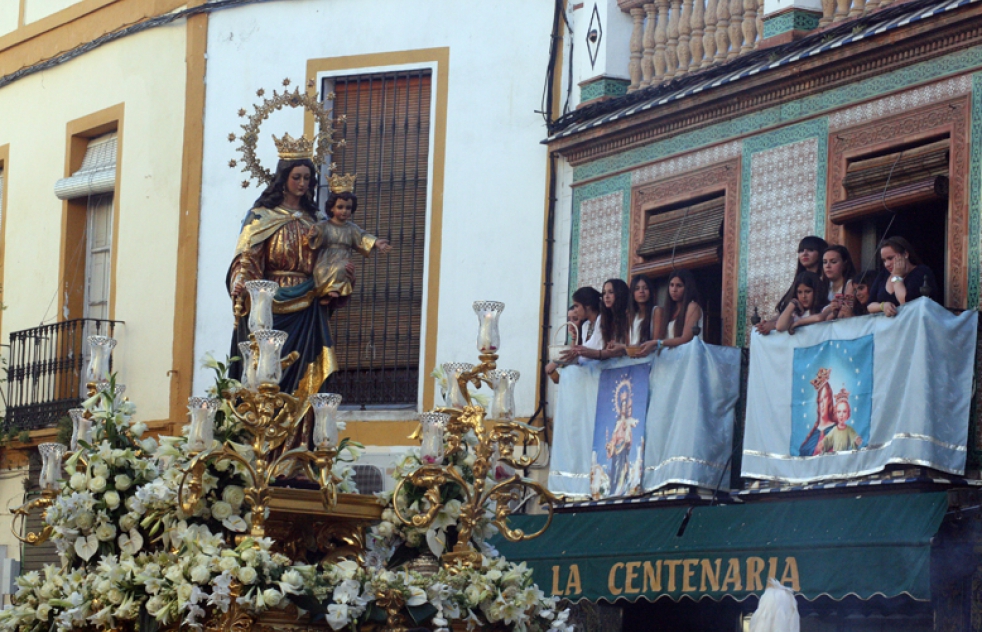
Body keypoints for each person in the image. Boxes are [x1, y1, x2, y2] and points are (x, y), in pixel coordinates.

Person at [228, 155, 346, 446]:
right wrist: (240, 283)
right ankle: (260, 450)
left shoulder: (317, 221)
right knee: (267, 378)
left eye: (307, 178)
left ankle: (298, 451)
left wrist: (339, 279)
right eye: (297, 177)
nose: (302, 184)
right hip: (268, 307)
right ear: (284, 179)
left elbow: (331, 260)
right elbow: (246, 260)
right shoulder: (261, 217)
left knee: (307, 379)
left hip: (308, 308)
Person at [308, 177, 392, 304]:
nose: (344, 211)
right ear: (331, 208)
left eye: (348, 208)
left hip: (342, 257)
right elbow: (316, 235)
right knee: (320, 271)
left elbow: (362, 237)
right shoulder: (324, 225)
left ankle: (334, 291)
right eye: (340, 207)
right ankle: (324, 292)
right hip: (325, 259)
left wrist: (376, 242)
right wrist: (313, 234)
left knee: (342, 268)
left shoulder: (352, 228)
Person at [756, 235, 828, 335]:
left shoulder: (827, 282)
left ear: (821, 252)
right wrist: (768, 323)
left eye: (810, 250)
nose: (805, 254)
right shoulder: (798, 281)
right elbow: (786, 308)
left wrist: (773, 325)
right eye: (801, 251)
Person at [866, 236, 938, 317]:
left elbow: (907, 304)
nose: (886, 264)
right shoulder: (883, 275)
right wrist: (883, 306)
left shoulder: (921, 272)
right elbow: (869, 305)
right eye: (884, 260)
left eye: (890, 258)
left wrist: (897, 277)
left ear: (906, 254)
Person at [642, 269, 703, 354]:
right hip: (668, 360)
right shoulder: (667, 311)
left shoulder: (693, 307)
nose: (674, 289)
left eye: (679, 285)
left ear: (687, 288)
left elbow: (686, 339)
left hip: (686, 359)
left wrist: (659, 343)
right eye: (671, 285)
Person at [559, 287, 606, 363]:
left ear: (588, 305)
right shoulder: (585, 326)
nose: (575, 310)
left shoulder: (601, 320)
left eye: (577, 306)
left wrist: (575, 352)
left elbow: (595, 347)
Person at [799, 368, 835, 456]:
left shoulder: (836, 429)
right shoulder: (814, 433)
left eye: (825, 398)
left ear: (829, 400)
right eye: (820, 400)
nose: (822, 404)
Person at [545, 305, 582, 383]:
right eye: (569, 319)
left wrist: (557, 363)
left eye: (575, 319)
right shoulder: (568, 343)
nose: (571, 323)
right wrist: (552, 372)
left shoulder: (588, 341)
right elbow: (559, 380)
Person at [821, 388, 863, 453]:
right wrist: (823, 444)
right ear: (836, 413)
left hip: (845, 457)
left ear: (847, 414)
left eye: (844, 412)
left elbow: (854, 438)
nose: (841, 415)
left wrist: (856, 440)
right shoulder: (834, 430)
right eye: (839, 412)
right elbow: (828, 439)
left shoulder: (849, 429)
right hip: (835, 457)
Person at [822, 245, 857, 320]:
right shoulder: (822, 285)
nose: (827, 266)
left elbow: (844, 312)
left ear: (844, 264)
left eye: (833, 262)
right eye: (824, 262)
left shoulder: (850, 284)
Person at [599, 279, 631, 357]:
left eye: (611, 292)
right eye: (604, 293)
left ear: (620, 294)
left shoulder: (628, 315)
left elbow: (630, 346)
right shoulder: (606, 318)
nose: (606, 296)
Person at [627, 274, 655, 346]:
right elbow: (628, 344)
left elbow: (655, 343)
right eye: (637, 288)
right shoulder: (631, 315)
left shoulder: (656, 311)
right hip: (631, 356)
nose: (641, 291)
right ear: (632, 293)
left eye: (645, 288)